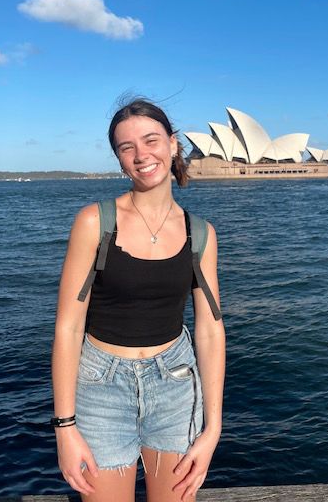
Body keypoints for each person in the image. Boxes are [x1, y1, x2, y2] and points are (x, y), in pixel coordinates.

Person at [51, 98, 226, 502]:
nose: (141, 155)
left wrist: (212, 429)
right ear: (118, 160)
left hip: (177, 386)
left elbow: (211, 328)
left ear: (173, 144)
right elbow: (68, 325)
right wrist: (65, 427)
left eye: (151, 140)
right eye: (126, 148)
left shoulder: (200, 234)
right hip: (101, 387)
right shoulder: (95, 222)